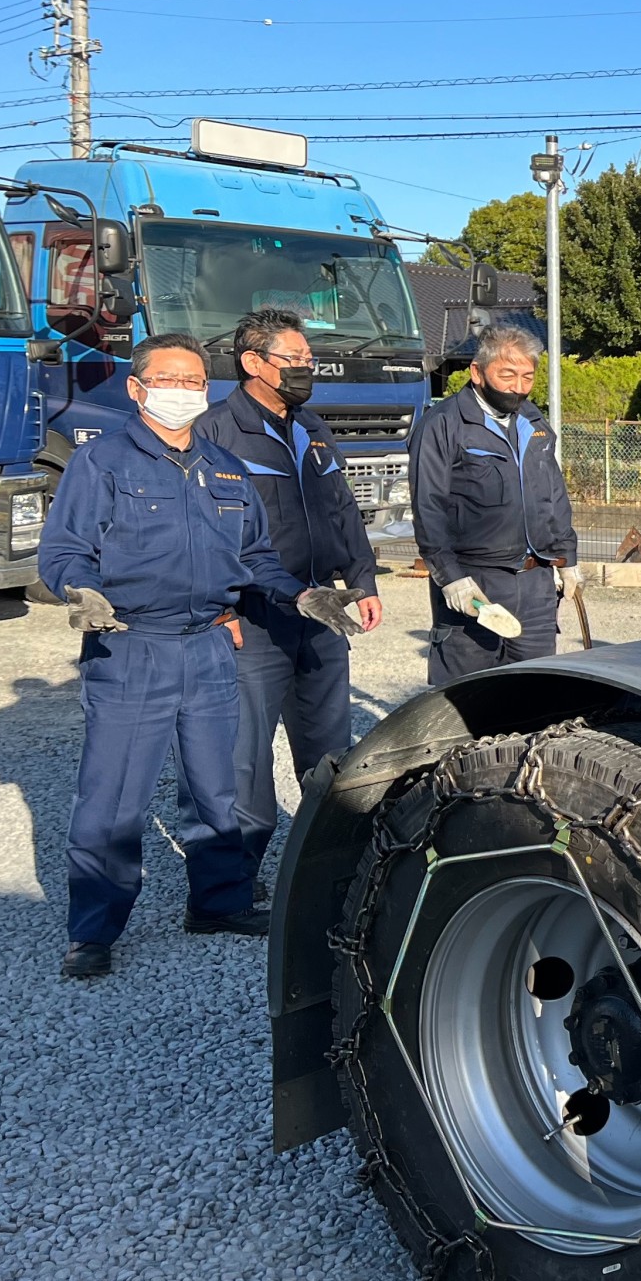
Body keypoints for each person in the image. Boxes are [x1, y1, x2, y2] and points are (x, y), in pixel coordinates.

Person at [36, 332, 364, 980]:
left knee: (218, 789)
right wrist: (81, 591)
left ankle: (218, 902)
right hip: (132, 645)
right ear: (137, 388)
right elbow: (64, 549)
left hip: (212, 645)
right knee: (115, 796)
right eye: (169, 379)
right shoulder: (102, 464)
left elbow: (258, 559)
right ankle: (93, 929)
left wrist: (303, 598)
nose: (183, 391)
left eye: (193, 382)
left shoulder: (223, 466)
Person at [170, 309, 383, 892]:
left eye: (308, 360)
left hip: (320, 617)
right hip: (250, 623)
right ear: (252, 363)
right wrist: (216, 611)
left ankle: (327, 874)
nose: (305, 370)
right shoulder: (215, 432)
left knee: (331, 758)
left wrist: (362, 578)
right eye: (293, 360)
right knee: (242, 763)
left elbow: (342, 509)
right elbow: (198, 535)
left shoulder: (312, 427)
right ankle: (229, 887)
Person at [409, 323, 578, 681]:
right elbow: (428, 508)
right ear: (477, 372)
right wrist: (449, 577)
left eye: (528, 377)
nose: (518, 387)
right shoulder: (442, 425)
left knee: (535, 694)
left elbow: (554, 494)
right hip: (476, 583)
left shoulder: (534, 422)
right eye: (507, 375)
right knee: (469, 699)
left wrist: (567, 559)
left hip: (535, 584)